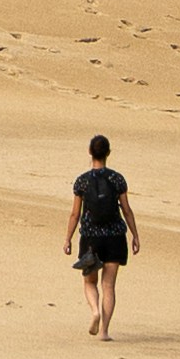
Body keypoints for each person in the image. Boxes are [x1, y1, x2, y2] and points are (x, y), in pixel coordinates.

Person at [65, 133, 137, 338]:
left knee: (89, 282)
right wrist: (135, 235)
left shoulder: (82, 182)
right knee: (109, 285)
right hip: (115, 237)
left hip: (90, 239)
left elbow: (75, 214)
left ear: (90, 152)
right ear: (108, 153)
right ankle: (105, 331)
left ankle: (95, 311)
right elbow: (127, 210)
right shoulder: (117, 179)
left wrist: (68, 238)